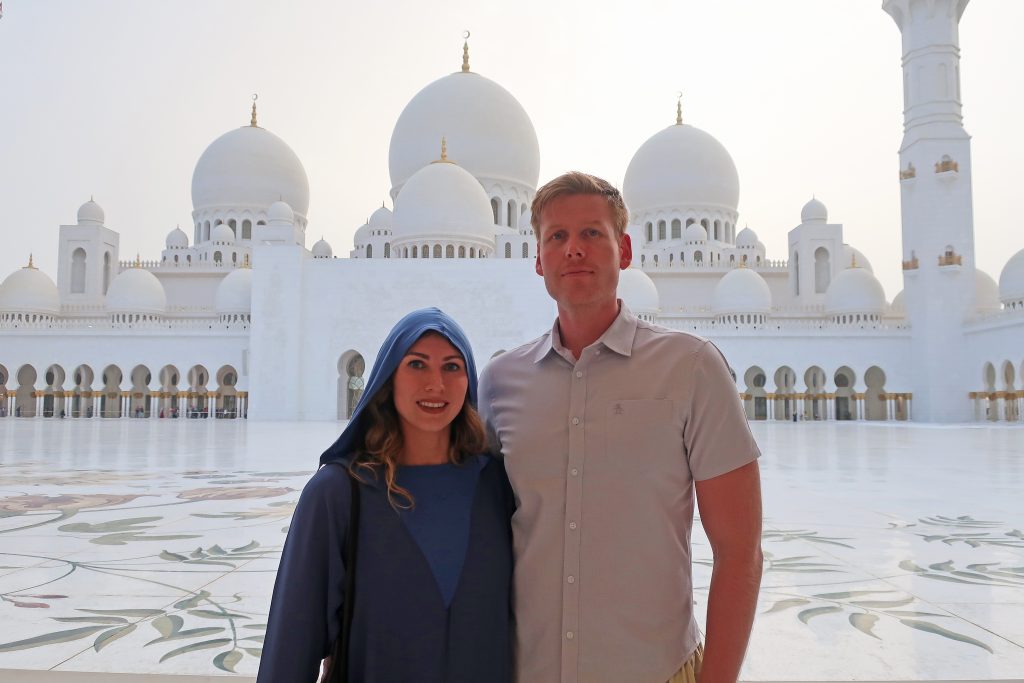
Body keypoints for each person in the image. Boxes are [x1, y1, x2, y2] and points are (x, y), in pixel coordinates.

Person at [478, 172, 763, 683]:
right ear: (538, 260)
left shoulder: (691, 367)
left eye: (592, 233)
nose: (574, 250)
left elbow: (739, 552)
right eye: (557, 237)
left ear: (624, 249)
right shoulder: (501, 383)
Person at [258, 307, 514, 683]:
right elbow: (293, 639)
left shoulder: (498, 484)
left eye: (451, 367)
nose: (435, 384)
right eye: (416, 365)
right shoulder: (339, 493)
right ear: (388, 377)